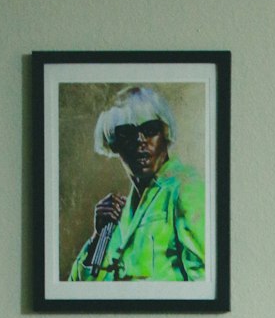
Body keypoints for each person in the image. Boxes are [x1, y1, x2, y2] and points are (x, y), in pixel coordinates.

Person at [69, 85, 205, 282]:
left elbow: (203, 282)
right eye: (127, 133)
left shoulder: (186, 187)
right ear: (114, 143)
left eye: (150, 130)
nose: (140, 140)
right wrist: (99, 236)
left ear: (165, 134)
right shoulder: (120, 211)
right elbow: (81, 289)